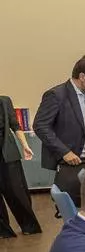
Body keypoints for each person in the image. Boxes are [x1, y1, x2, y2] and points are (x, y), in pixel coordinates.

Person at [33, 55, 85, 206]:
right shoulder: (56, 95)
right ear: (82, 76)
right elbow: (40, 126)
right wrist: (64, 152)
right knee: (73, 208)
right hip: (71, 162)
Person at [0, 95, 41, 237]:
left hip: (7, 153)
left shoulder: (4, 101)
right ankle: (3, 231)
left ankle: (30, 226)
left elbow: (15, 125)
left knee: (17, 191)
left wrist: (25, 145)